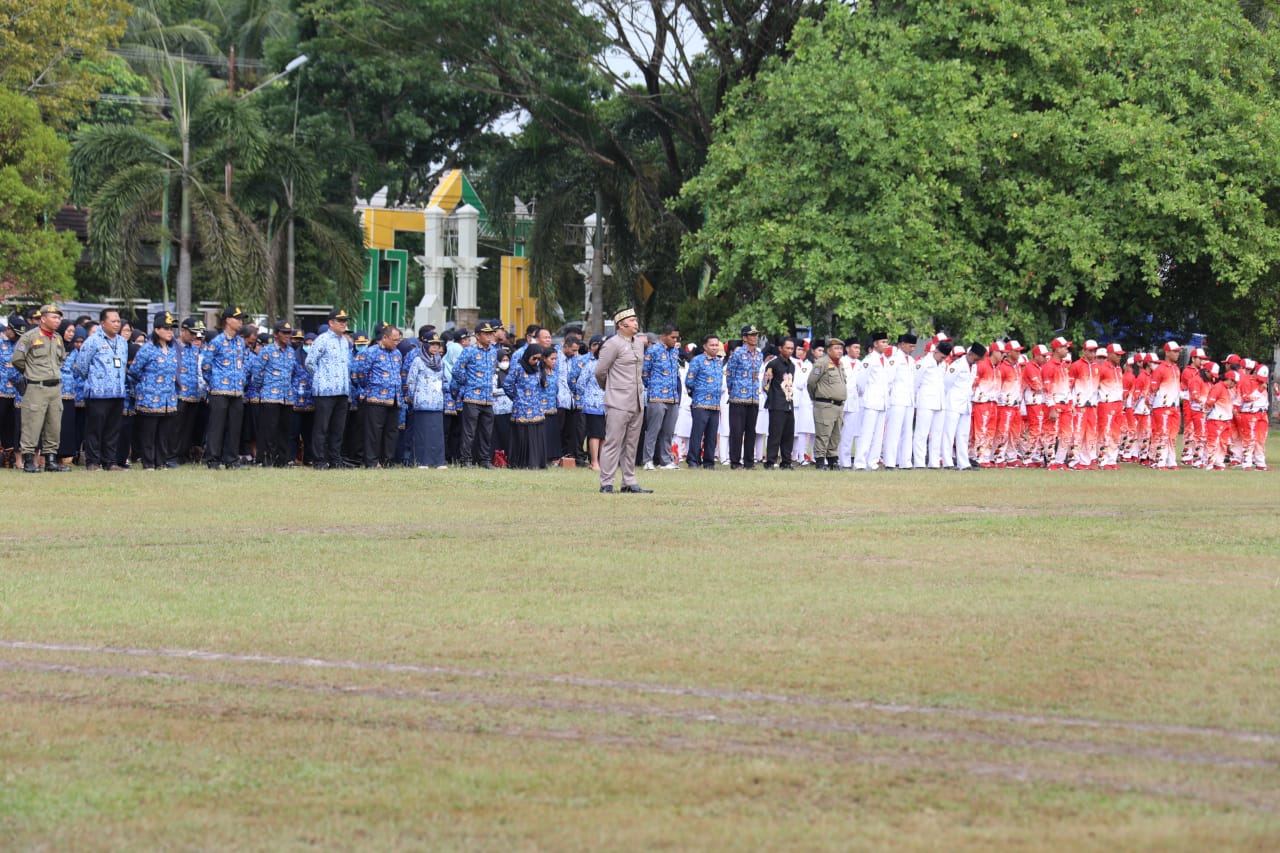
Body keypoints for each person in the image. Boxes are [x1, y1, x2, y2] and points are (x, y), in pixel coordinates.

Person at [595, 307, 650, 493]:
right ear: (621, 324)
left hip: (637, 400)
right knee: (613, 442)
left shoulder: (639, 344)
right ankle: (607, 483)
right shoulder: (613, 344)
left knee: (631, 444)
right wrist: (610, 389)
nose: (636, 323)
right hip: (618, 401)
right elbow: (600, 372)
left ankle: (629, 482)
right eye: (632, 320)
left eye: (636, 319)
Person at [11, 304, 69, 472]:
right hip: (36, 387)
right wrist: (31, 372)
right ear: (43, 319)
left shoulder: (57, 338)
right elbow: (17, 359)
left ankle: (50, 460)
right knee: (32, 424)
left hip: (55, 388)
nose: (57, 320)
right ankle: (28, 461)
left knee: (54, 425)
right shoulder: (29, 337)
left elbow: (61, 359)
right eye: (54, 317)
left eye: (59, 318)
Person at [75, 307, 129, 471]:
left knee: (113, 429)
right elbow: (82, 366)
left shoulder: (122, 342)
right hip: (97, 393)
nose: (116, 324)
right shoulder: (93, 341)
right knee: (95, 429)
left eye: (118, 321)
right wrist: (93, 381)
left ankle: (110, 461)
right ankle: (92, 461)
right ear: (102, 323)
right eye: (113, 321)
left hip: (118, 393)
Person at [128, 311, 180, 470]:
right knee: (149, 433)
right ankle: (149, 462)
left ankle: (160, 461)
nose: (170, 332)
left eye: (172, 329)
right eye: (167, 328)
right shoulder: (147, 349)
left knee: (164, 434)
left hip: (168, 398)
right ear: (157, 330)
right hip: (150, 397)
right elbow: (134, 371)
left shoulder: (172, 350)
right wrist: (144, 386)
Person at [201, 306, 249, 469]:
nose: (241, 322)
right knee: (217, 427)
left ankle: (231, 459)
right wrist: (214, 382)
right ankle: (213, 459)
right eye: (238, 318)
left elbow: (242, 365)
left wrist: (241, 381)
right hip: (219, 390)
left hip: (236, 391)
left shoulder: (240, 342)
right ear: (228, 320)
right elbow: (206, 366)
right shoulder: (217, 342)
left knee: (235, 427)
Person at [306, 309, 353, 470]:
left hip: (342, 390)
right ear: (331, 323)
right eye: (340, 321)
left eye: (345, 321)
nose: (344, 324)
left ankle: (335, 460)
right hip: (325, 391)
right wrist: (321, 378)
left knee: (338, 429)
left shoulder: (345, 341)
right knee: (322, 428)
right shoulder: (322, 339)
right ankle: (319, 460)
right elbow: (310, 362)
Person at [451, 321, 499, 468]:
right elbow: (457, 370)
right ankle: (466, 460)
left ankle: (484, 460)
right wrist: (469, 382)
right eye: (486, 333)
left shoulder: (493, 351)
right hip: (472, 397)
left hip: (488, 398)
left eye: (491, 333)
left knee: (486, 432)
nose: (490, 336)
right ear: (478, 336)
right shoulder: (469, 351)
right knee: (469, 432)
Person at [250, 321, 297, 467]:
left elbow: (293, 373)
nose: (287, 336)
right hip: (270, 396)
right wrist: (262, 388)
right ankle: (266, 459)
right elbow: (257, 373)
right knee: (268, 430)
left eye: (289, 333)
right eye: (284, 333)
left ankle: (281, 460)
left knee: (285, 430)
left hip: (286, 397)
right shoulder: (267, 351)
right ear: (276, 334)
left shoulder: (291, 351)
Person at [356, 324, 403, 468]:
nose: (396, 343)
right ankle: (372, 461)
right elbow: (361, 373)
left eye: (398, 340)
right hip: (376, 397)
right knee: (374, 432)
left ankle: (387, 460)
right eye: (394, 340)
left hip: (394, 397)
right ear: (385, 338)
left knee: (391, 432)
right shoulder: (371, 352)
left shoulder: (397, 353)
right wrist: (369, 387)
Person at [406, 332, 450, 468]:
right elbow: (411, 381)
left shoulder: (439, 361)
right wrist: (414, 397)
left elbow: (443, 380)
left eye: (438, 344)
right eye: (432, 344)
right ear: (425, 345)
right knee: (422, 433)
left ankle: (438, 461)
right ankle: (422, 461)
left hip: (436, 401)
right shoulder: (418, 360)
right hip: (422, 401)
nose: (436, 347)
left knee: (436, 432)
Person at [641, 324, 682, 470]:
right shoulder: (653, 350)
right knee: (653, 430)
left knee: (668, 431)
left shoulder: (675, 352)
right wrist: (653, 387)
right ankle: (647, 460)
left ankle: (665, 460)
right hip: (657, 397)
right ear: (664, 336)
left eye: (677, 337)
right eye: (672, 337)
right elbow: (644, 373)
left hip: (673, 397)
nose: (675, 340)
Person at [504, 343, 548, 469]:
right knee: (523, 435)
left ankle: (535, 463)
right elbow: (507, 385)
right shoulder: (518, 368)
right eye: (534, 358)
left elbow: (540, 386)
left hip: (536, 408)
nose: (536, 361)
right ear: (528, 355)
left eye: (539, 359)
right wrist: (517, 397)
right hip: (521, 408)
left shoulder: (538, 369)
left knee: (535, 434)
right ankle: (520, 463)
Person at [724, 324, 762, 469]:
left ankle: (749, 461)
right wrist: (732, 390)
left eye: (756, 335)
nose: (755, 337)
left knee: (751, 431)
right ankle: (735, 461)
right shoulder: (738, 353)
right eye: (752, 335)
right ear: (744, 338)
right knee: (737, 431)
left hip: (753, 397)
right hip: (738, 397)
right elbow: (729, 373)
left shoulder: (759, 354)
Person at [684, 335, 724, 470]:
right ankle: (693, 461)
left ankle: (709, 462)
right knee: (697, 433)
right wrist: (700, 391)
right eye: (712, 345)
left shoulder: (719, 362)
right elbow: (689, 381)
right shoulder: (697, 361)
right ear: (705, 346)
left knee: (712, 435)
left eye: (716, 345)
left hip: (715, 403)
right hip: (700, 403)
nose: (714, 347)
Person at [808, 337, 847, 470]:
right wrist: (817, 398)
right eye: (836, 348)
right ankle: (819, 462)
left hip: (838, 405)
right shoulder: (821, 363)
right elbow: (811, 383)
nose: (839, 351)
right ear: (829, 350)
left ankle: (832, 461)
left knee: (835, 435)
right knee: (823, 435)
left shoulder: (840, 364)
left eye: (841, 348)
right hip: (825, 405)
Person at [854, 331, 890, 470]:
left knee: (878, 435)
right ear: (875, 344)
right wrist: (866, 394)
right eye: (883, 342)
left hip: (882, 402)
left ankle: (872, 462)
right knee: (866, 433)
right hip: (871, 401)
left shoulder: (885, 360)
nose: (885, 345)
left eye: (886, 342)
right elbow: (861, 381)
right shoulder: (869, 360)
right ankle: (860, 463)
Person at [571, 335, 607, 470]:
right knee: (595, 434)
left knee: (605, 435)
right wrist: (588, 395)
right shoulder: (591, 365)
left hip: (608, 404)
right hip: (593, 404)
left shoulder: (612, 366)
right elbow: (580, 385)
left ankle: (603, 462)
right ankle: (594, 462)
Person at [912, 340, 948, 469]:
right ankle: (919, 463)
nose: (943, 360)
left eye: (945, 358)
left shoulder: (943, 364)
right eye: (942, 357)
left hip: (940, 402)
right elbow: (915, 383)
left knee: (937, 434)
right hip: (925, 402)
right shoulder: (924, 363)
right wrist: (915, 403)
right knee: (921, 433)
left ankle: (934, 462)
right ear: (936, 351)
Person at [883, 333, 917, 469]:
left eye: (914, 346)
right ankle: (890, 462)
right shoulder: (894, 359)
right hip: (896, 400)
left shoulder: (911, 360)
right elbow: (889, 380)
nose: (913, 349)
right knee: (893, 432)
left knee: (908, 432)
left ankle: (905, 462)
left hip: (909, 400)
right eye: (910, 346)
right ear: (902, 344)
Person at [763, 337, 796, 469]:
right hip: (776, 404)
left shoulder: (792, 365)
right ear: (780, 348)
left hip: (789, 403)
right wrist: (774, 397)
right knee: (775, 434)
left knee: (788, 435)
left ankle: (786, 462)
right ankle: (770, 461)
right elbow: (765, 384)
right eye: (787, 348)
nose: (790, 351)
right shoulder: (773, 364)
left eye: (792, 348)